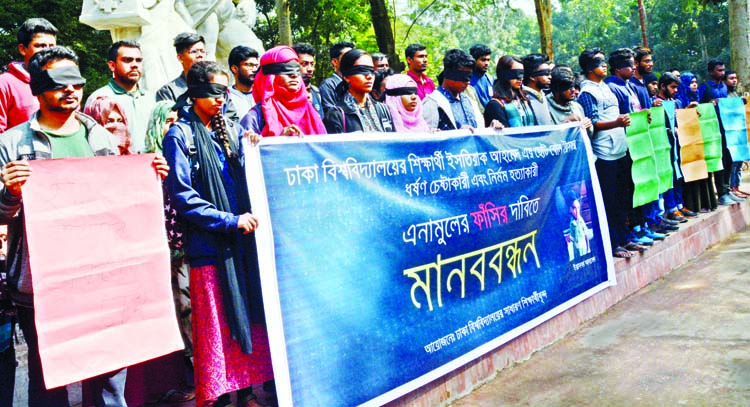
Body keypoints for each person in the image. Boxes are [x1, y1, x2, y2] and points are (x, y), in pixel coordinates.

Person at [0, 45, 169, 407]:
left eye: (76, 82)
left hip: (102, 281)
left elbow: (122, 208)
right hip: (41, 288)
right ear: (37, 87)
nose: (71, 90)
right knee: (48, 381)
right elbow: (1, 216)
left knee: (110, 378)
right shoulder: (12, 144)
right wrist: (10, 193)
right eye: (59, 83)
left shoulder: (100, 139)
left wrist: (149, 179)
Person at [163, 60, 274, 407]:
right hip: (209, 246)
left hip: (242, 245)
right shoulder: (179, 134)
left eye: (225, 92)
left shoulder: (231, 129)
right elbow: (182, 195)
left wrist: (261, 146)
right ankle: (223, 399)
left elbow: (251, 176)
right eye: (213, 92)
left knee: (248, 320)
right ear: (195, 93)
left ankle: (246, 393)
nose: (222, 99)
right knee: (217, 327)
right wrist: (228, 220)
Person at [577, 48, 637, 257]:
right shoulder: (587, 92)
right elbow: (592, 122)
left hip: (619, 149)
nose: (604, 65)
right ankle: (612, 244)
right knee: (608, 202)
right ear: (588, 68)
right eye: (599, 62)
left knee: (623, 197)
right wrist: (616, 122)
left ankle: (624, 237)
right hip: (604, 153)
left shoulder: (605, 88)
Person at [241, 45, 327, 137]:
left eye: (297, 71)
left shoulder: (311, 113)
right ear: (271, 78)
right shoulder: (255, 119)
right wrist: (280, 139)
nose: (294, 75)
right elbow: (249, 150)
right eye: (286, 71)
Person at [85, 40, 155, 153]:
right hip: (114, 166)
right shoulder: (99, 99)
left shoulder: (151, 98)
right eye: (128, 60)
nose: (134, 65)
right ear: (112, 65)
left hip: (150, 166)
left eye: (138, 60)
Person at [0, 18, 57, 133]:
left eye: (52, 46)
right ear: (23, 49)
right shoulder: (5, 84)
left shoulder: (64, 83)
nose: (47, 52)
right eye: (40, 46)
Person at [323, 49, 395, 133]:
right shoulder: (336, 115)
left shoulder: (383, 109)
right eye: (361, 70)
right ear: (346, 77)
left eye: (371, 71)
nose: (369, 76)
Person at [423, 49, 484, 131]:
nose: (467, 82)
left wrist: (491, 129)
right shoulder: (433, 102)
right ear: (449, 74)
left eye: (469, 76)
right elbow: (427, 138)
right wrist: (457, 134)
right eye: (463, 77)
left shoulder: (469, 101)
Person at [484, 55, 535, 128]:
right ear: (504, 74)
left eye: (522, 73)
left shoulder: (524, 101)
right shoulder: (495, 105)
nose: (520, 78)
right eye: (516, 73)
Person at [156, 33, 206, 102]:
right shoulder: (168, 91)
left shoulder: (216, 85)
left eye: (202, 51)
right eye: (194, 51)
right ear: (180, 58)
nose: (200, 55)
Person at [546, 65, 592, 135]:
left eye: (573, 86)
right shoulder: (546, 108)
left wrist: (588, 127)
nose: (573, 90)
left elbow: (587, 136)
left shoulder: (576, 107)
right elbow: (547, 137)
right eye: (568, 87)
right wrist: (566, 124)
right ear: (557, 90)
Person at [319, 41, 355, 112]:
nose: (352, 61)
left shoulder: (357, 81)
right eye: (347, 57)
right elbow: (330, 113)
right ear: (335, 61)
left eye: (353, 57)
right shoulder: (328, 85)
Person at [227, 45, 260, 120]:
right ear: (235, 68)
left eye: (256, 66)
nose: (254, 70)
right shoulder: (226, 97)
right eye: (250, 65)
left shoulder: (263, 94)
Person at [292, 43, 324, 118]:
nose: (310, 69)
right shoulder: (289, 94)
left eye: (312, 64)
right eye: (304, 64)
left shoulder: (316, 92)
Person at [522, 53, 554, 125]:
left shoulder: (542, 96)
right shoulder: (523, 99)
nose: (550, 77)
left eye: (550, 73)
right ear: (532, 76)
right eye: (546, 73)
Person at [469, 44, 493, 109]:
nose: (486, 63)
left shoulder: (490, 79)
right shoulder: (467, 80)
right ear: (474, 60)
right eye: (483, 60)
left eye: (488, 60)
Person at [567, 193, 590, 259]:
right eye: (574, 208)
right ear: (570, 209)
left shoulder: (581, 220)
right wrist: (569, 238)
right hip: (576, 249)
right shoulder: (572, 223)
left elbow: (586, 234)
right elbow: (572, 236)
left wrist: (588, 248)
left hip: (583, 247)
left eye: (578, 208)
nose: (577, 211)